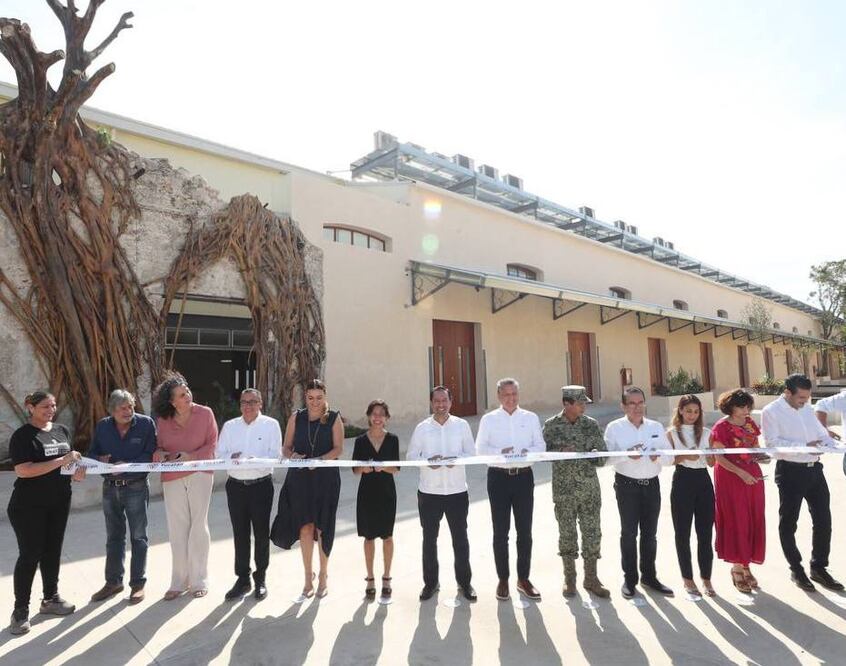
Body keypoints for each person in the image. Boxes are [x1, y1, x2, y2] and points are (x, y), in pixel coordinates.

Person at [7, 391, 84, 636]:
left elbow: (69, 465)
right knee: (30, 555)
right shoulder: (22, 436)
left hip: (59, 502)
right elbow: (23, 470)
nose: (51, 410)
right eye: (44, 406)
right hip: (28, 506)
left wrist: (77, 471)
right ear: (30, 407)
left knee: (52, 552)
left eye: (53, 405)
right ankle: (20, 611)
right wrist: (62, 460)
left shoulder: (62, 431)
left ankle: (50, 598)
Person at [761, 374, 843, 592]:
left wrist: (829, 442)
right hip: (790, 472)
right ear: (787, 393)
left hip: (815, 470)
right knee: (789, 523)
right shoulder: (771, 412)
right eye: (801, 398)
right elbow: (772, 445)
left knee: (823, 520)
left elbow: (820, 434)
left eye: (808, 398)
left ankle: (819, 567)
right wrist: (805, 446)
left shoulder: (806, 408)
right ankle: (796, 570)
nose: (805, 401)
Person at [272, 379, 344, 599]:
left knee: (323, 528)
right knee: (305, 528)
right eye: (311, 398)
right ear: (305, 397)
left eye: (319, 398)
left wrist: (320, 460)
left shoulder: (334, 418)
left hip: (326, 480)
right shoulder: (296, 417)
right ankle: (307, 577)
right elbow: (286, 448)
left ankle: (323, 575)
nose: (315, 402)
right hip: (300, 480)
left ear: (325, 397)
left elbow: (338, 449)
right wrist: (293, 455)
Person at [476, 378, 545, 602]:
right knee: (500, 532)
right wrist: (500, 452)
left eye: (514, 394)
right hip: (498, 479)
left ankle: (523, 579)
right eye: (506, 394)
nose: (511, 398)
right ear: (498, 396)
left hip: (523, 478)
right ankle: (503, 579)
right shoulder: (489, 420)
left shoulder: (530, 418)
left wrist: (527, 452)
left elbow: (540, 446)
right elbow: (480, 450)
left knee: (525, 532)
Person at [87, 390, 157, 605]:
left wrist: (126, 466)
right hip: (110, 488)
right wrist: (100, 459)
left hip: (136, 487)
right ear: (112, 410)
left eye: (131, 406)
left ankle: (137, 584)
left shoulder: (146, 424)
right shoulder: (103, 426)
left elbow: (150, 455)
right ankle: (113, 582)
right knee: (114, 537)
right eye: (123, 408)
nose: (128, 411)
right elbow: (91, 454)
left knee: (139, 536)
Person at [152, 372, 218, 600]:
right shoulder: (163, 420)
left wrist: (191, 456)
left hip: (201, 472)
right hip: (172, 476)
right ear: (171, 402)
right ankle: (178, 581)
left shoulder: (205, 413)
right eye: (181, 394)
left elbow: (212, 444)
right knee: (177, 528)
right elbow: (159, 447)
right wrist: (159, 454)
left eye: (187, 391)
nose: (187, 395)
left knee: (198, 524)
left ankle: (199, 580)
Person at [408, 386, 476, 602]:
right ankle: (431, 583)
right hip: (429, 493)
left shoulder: (462, 426)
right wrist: (428, 463)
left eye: (444, 400)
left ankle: (464, 583)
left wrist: (456, 459)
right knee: (429, 540)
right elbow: (411, 457)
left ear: (450, 402)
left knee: (460, 539)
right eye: (436, 401)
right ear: (431, 403)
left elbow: (471, 454)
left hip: (457, 492)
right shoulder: (422, 428)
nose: (440, 404)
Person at [604, 386, 674, 599]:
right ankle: (630, 579)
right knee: (629, 534)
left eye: (640, 402)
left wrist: (658, 456)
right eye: (632, 403)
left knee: (650, 534)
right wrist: (626, 454)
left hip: (651, 485)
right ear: (623, 406)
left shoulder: (655, 426)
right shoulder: (614, 428)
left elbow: (670, 458)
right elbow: (605, 459)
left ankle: (649, 577)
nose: (637, 407)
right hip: (627, 486)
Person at [543, 385, 609, 599]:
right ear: (566, 403)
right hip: (564, 491)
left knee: (592, 533)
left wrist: (594, 453)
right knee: (567, 534)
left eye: (584, 403)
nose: (584, 407)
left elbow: (603, 458)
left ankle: (591, 578)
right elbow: (542, 454)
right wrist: (560, 452)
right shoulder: (551, 426)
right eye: (580, 403)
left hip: (589, 490)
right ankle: (569, 579)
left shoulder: (591, 425)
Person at [217, 388, 282, 602]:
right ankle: (242, 579)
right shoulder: (230, 426)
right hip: (236, 487)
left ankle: (260, 578)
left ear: (260, 403)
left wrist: (257, 461)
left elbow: (276, 455)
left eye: (253, 401)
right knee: (240, 534)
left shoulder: (271, 425)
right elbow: (219, 454)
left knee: (261, 534)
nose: (248, 406)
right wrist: (232, 457)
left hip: (260, 486)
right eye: (244, 402)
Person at [711, 389, 766, 594]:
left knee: (753, 518)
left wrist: (762, 456)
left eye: (747, 406)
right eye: (740, 406)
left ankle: (746, 564)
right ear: (730, 407)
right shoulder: (721, 427)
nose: (745, 410)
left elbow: (756, 446)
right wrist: (741, 473)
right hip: (731, 476)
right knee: (737, 518)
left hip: (753, 475)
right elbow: (719, 457)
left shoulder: (750, 423)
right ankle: (736, 567)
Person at [666, 394, 715, 599]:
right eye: (688, 411)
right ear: (680, 411)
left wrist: (711, 454)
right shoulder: (671, 433)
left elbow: (711, 463)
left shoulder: (707, 433)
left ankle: (706, 578)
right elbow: (667, 461)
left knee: (705, 533)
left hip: (703, 482)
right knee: (682, 533)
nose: (692, 415)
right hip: (682, 481)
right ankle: (687, 578)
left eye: (696, 412)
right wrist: (686, 455)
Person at [352, 400, 399, 600]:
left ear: (386, 417)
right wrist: (363, 468)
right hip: (367, 494)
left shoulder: (393, 439)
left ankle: (386, 578)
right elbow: (355, 469)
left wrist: (384, 467)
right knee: (368, 537)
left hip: (387, 493)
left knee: (387, 536)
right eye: (374, 413)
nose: (377, 417)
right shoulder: (360, 441)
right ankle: (370, 578)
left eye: (381, 414)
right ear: (369, 416)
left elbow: (396, 468)